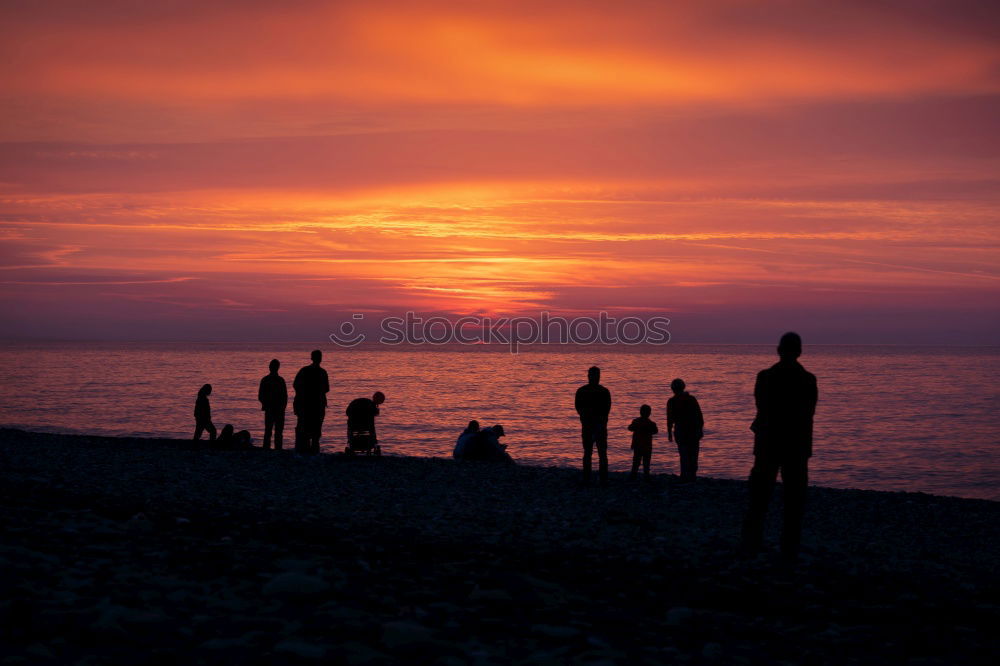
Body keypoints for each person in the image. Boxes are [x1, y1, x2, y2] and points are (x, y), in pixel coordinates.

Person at [740, 332, 818, 561]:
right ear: (800, 351)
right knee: (794, 502)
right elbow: (808, 413)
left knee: (759, 499)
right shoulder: (808, 380)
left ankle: (751, 545)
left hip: (769, 444)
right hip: (796, 447)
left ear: (779, 350)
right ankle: (789, 549)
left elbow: (761, 406)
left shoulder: (765, 377)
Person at [575, 366, 612, 484]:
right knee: (600, 453)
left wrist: (584, 417)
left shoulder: (582, 391)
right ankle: (602, 479)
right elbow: (607, 409)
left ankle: (588, 478)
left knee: (589, 452)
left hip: (589, 425)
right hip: (598, 425)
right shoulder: (604, 391)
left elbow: (578, 407)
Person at [667, 378, 704, 482]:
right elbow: (699, 416)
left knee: (683, 454)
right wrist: (700, 429)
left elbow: (670, 419)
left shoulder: (672, 401)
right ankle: (692, 475)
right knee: (693, 453)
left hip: (681, 431)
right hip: (693, 430)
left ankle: (684, 475)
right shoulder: (691, 399)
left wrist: (669, 432)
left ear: (672, 389)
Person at [293, 350, 329, 455]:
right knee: (315, 431)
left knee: (306, 429)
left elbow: (296, 385)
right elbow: (326, 389)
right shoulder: (322, 372)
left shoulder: (304, 370)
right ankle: (313, 451)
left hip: (306, 405)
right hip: (316, 405)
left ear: (311, 358)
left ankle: (306, 450)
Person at [258, 359, 288, 450]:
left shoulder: (266, 379)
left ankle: (267, 449)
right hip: (276, 409)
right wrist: (282, 407)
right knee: (276, 432)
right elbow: (284, 396)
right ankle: (277, 449)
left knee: (269, 431)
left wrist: (265, 404)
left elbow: (260, 396)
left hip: (272, 409)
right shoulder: (279, 380)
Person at [628, 404, 658, 479]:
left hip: (637, 445)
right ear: (649, 413)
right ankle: (646, 477)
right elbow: (655, 431)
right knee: (646, 463)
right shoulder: (651, 423)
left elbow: (630, 428)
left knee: (636, 462)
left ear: (640, 412)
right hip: (647, 446)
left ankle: (633, 476)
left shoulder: (636, 421)